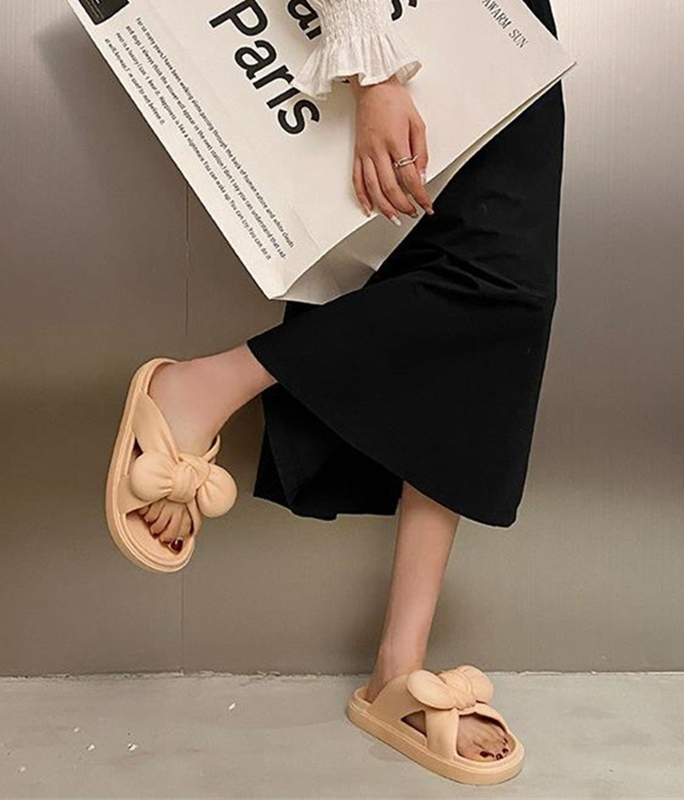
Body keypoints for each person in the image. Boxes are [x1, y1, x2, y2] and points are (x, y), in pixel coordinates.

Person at [107, 0, 566, 781]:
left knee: (490, 317)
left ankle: (397, 668)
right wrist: (372, 70)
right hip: (401, 26)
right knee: (497, 289)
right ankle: (205, 385)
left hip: (510, 23)